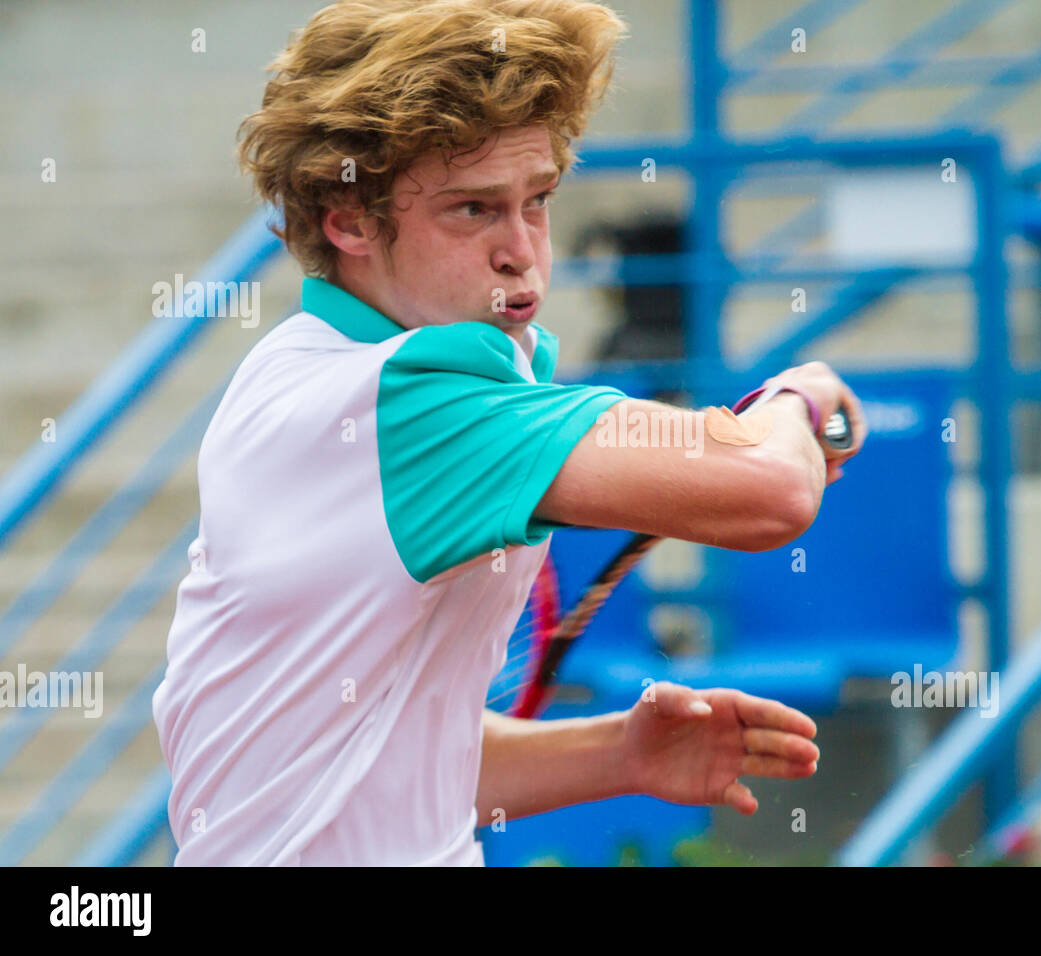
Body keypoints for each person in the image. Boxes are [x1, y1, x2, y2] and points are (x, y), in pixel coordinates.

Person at [150, 0, 865, 866]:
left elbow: (392, 765)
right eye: (472, 211)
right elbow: (771, 490)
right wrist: (799, 395)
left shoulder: (306, 365)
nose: (521, 250)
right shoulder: (403, 403)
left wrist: (622, 755)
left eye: (538, 201)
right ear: (348, 221)